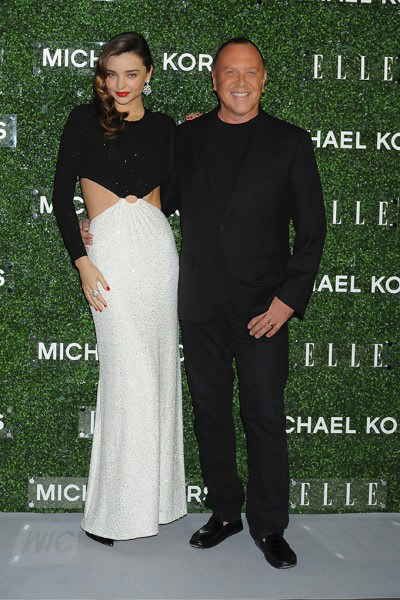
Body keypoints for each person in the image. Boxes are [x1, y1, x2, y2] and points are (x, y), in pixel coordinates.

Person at [80, 37, 326, 568]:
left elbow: (312, 232)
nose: (240, 82)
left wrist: (287, 301)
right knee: (210, 413)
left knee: (263, 414)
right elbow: (155, 198)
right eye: (229, 72)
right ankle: (225, 513)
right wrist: (97, 221)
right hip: (198, 304)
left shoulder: (290, 142)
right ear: (214, 80)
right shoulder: (186, 137)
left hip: (264, 308)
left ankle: (269, 525)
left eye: (250, 72)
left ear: (264, 80)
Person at [51, 32, 187, 547]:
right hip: (107, 258)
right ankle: (113, 513)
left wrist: (192, 141)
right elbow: (62, 196)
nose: (121, 84)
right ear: (101, 77)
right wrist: (82, 261)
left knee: (157, 374)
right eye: (112, 74)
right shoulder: (82, 121)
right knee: (126, 376)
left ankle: (155, 503)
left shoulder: (167, 128)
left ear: (149, 74)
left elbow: (173, 198)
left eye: (131, 73)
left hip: (156, 253)